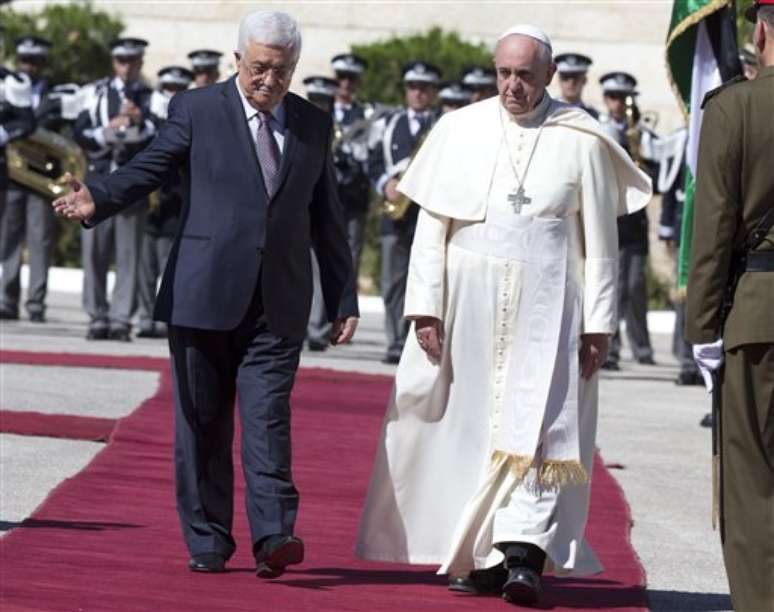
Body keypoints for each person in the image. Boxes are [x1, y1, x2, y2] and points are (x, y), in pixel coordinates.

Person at [54, 10, 358, 577]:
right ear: (237, 60)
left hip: (279, 300)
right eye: (261, 68)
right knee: (202, 421)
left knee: (268, 419)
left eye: (283, 70)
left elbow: (328, 216)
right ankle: (208, 537)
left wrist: (341, 295)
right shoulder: (196, 109)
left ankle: (274, 536)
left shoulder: (314, 124)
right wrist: (99, 197)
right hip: (203, 292)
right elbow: (152, 166)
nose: (270, 81)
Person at [356, 25, 651, 607]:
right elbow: (430, 231)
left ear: (548, 75)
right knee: (476, 432)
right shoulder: (460, 129)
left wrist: (599, 324)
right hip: (469, 307)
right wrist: (424, 309)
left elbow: (600, 243)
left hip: (549, 306)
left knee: (541, 428)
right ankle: (485, 556)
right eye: (503, 73)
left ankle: (524, 555)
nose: (512, 86)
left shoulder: (581, 137)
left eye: (524, 75)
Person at [685, 2, 774, 608]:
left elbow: (714, 230)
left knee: (754, 484)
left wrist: (703, 327)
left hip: (760, 315)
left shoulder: (735, 108)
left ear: (762, 29)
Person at [73, 37, 156, 341]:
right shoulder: (95, 92)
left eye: (133, 61)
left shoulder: (151, 96)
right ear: (114, 62)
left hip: (132, 186)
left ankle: (122, 318)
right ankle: (97, 316)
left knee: (128, 255)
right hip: (97, 184)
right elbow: (79, 131)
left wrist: (141, 122)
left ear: (140, 64)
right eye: (122, 60)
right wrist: (109, 128)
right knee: (94, 252)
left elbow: (163, 137)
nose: (127, 66)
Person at [369, 60, 441, 364]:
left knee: (429, 279)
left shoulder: (443, 124)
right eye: (413, 87)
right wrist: (385, 184)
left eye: (425, 88)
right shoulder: (388, 124)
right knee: (393, 281)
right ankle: (396, 341)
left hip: (429, 213)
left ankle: (422, 344)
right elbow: (372, 162)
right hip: (396, 215)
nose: (419, 93)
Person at [597, 71, 656, 368]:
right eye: (613, 97)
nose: (618, 104)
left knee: (635, 285)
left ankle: (642, 347)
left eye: (624, 98)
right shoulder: (599, 129)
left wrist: (643, 153)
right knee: (613, 285)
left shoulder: (642, 133)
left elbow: (657, 176)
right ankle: (612, 348)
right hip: (610, 218)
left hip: (635, 222)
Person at [136, 66, 194, 339]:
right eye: (168, 89)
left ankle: (165, 318)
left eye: (178, 90)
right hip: (148, 202)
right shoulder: (147, 113)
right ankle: (146, 318)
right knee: (145, 265)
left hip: (175, 202)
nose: (173, 94)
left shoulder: (191, 117)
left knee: (167, 263)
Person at [0, 35, 54, 322]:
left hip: (43, 180)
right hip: (12, 175)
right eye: (25, 60)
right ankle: (7, 299)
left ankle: (36, 302)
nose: (29, 66)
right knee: (9, 238)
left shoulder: (56, 93)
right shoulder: (7, 87)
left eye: (35, 61)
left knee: (39, 240)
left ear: (43, 63)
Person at [302, 74, 339, 350]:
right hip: (299, 207)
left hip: (327, 207)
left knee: (321, 268)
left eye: (324, 101)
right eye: (314, 100)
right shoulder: (297, 125)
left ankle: (317, 328)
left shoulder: (329, 128)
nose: (319, 105)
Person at [331, 53, 372, 284]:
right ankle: (316, 320)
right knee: (315, 253)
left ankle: (342, 312)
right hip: (324, 194)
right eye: (341, 77)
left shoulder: (366, 114)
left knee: (351, 254)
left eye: (351, 78)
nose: (345, 83)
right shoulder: (320, 108)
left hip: (353, 196)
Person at [553, 52, 598, 119]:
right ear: (559, 79)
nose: (571, 82)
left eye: (576, 77)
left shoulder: (594, 116)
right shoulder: (546, 111)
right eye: (566, 77)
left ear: (584, 80)